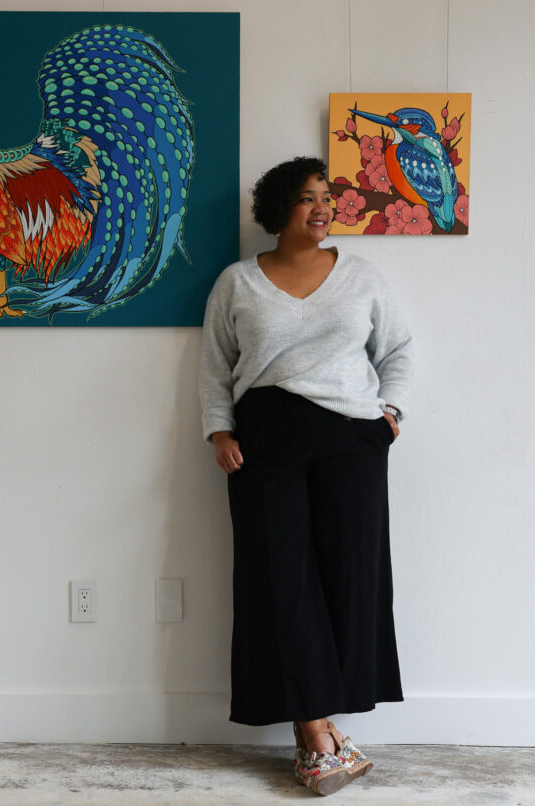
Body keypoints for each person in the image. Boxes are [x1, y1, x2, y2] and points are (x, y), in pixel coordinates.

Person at [199, 156, 413, 796]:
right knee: (278, 580)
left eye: (328, 197)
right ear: (276, 210)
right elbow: (215, 366)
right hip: (265, 440)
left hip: (351, 436)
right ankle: (316, 734)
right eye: (306, 198)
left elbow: (397, 351)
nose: (322, 208)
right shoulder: (237, 282)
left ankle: (318, 730)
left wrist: (392, 416)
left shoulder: (362, 277)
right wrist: (219, 429)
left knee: (349, 576)